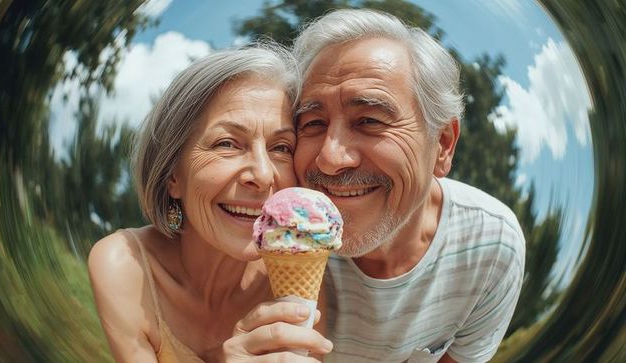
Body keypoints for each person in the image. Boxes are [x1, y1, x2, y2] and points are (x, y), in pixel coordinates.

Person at [287, 9, 525, 363]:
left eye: (369, 120)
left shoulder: (491, 245)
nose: (331, 158)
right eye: (313, 123)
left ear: (443, 145)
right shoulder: (273, 236)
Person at [87, 45, 333, 362]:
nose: (261, 174)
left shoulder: (304, 272)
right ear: (172, 173)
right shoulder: (125, 266)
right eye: (227, 143)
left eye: (281, 147)